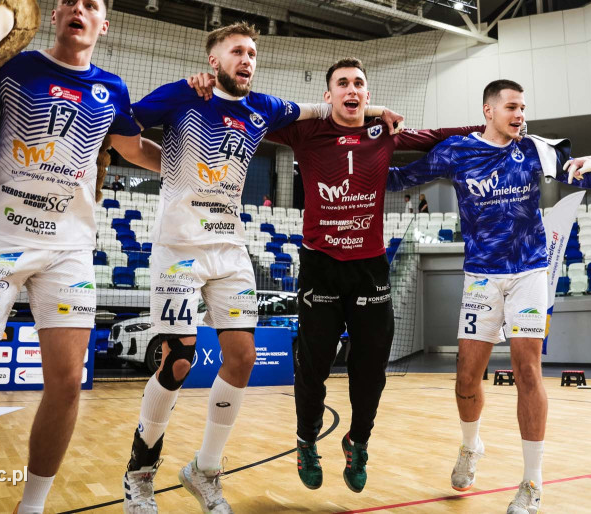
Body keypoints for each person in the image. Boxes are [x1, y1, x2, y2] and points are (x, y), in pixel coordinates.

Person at [122, 27, 402, 513]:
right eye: (237, 52)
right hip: (179, 248)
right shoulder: (181, 96)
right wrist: (165, 163)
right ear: (214, 59)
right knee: (178, 362)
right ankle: (140, 473)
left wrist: (377, 111)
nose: (246, 59)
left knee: (243, 358)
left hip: (231, 250)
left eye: (252, 53)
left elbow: (325, 110)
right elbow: (120, 131)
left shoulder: (265, 107)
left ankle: (204, 470)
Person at [0, 0, 163, 514]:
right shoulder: (13, 66)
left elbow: (134, 150)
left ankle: (32, 506)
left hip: (67, 251)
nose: (78, 11)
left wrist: (193, 175)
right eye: (69, 3)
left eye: (89, 5)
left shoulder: (112, 88)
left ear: (102, 25)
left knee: (65, 384)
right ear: (55, 14)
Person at [388, 79, 591, 514]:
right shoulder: (457, 152)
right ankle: (471, 447)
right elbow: (400, 177)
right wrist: (342, 159)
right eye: (511, 107)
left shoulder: (536, 148)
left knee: (528, 371)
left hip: (530, 272)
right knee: (465, 379)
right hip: (481, 277)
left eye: (523, 107)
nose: (520, 115)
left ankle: (531, 483)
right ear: (488, 111)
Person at [265, 58, 481, 494]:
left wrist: (489, 127)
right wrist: (329, 110)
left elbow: (437, 136)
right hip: (320, 268)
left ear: (366, 94)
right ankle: (306, 440)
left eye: (359, 84)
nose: (351, 89)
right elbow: (259, 114)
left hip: (370, 268)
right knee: (313, 367)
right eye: (342, 84)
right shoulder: (304, 132)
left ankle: (357, 441)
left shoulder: (384, 132)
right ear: (328, 96)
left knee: (372, 370)